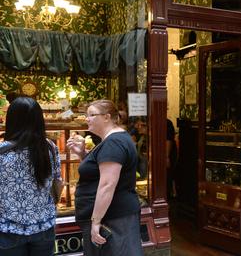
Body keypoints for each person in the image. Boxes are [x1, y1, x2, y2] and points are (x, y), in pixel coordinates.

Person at [67, 99, 143, 255]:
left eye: (91, 115)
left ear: (107, 117)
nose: (86, 119)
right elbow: (98, 173)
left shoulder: (113, 142)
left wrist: (96, 222)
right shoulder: (113, 140)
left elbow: (107, 185)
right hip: (114, 215)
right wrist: (82, 154)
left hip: (113, 218)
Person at [0, 97, 62, 255]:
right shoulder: (49, 147)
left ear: (11, 120)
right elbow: (58, 183)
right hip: (43, 226)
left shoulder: (2, 151)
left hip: (8, 228)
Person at [166, 119, 178, 199]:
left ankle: (169, 196)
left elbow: (168, 140)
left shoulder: (167, 123)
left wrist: (166, 156)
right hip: (165, 154)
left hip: (168, 154)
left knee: (169, 174)